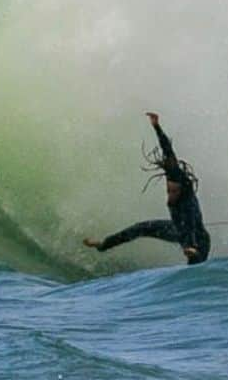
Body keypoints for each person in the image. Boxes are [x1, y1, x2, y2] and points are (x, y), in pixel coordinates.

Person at [84, 112, 211, 266]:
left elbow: (190, 223)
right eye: (168, 191)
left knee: (192, 257)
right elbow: (168, 149)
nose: (170, 195)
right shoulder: (173, 173)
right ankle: (104, 244)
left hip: (199, 241)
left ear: (183, 190)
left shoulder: (187, 199)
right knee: (141, 228)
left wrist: (191, 246)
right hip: (177, 231)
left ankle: (193, 253)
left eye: (174, 192)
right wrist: (156, 126)